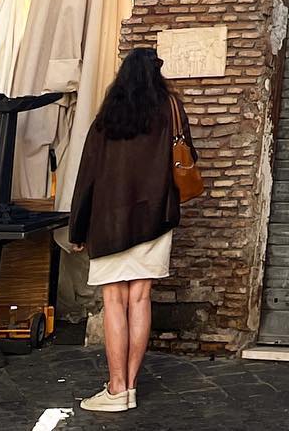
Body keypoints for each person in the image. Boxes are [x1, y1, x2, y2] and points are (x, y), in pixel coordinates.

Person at [68, 47, 196, 413]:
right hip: (155, 219)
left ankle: (115, 388)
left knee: (114, 301)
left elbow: (87, 177)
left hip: (109, 223)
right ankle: (131, 387)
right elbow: (187, 158)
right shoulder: (171, 110)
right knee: (140, 299)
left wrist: (77, 229)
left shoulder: (108, 117)